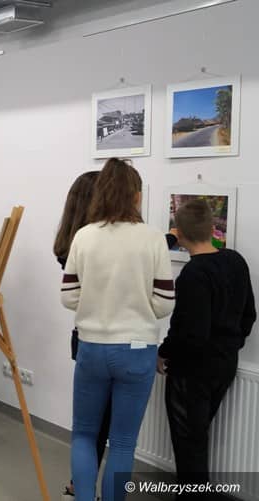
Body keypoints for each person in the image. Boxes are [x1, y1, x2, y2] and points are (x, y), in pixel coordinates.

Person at [61, 158, 175, 501]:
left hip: (92, 347)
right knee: (124, 442)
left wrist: (96, 305)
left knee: (84, 434)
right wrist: (139, 307)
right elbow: (164, 303)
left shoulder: (84, 236)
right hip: (138, 350)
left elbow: (69, 297)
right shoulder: (153, 238)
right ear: (136, 196)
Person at [158, 199, 255, 499]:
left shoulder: (193, 274)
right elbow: (249, 315)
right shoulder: (235, 261)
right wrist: (230, 344)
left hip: (193, 372)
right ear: (212, 228)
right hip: (224, 364)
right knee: (197, 438)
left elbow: (190, 332)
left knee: (190, 445)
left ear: (180, 234)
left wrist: (164, 353)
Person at [53, 171, 111, 500]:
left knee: (89, 426)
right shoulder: (95, 243)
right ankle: (86, 488)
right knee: (107, 428)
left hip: (84, 336)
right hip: (112, 341)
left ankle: (79, 485)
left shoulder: (71, 243)